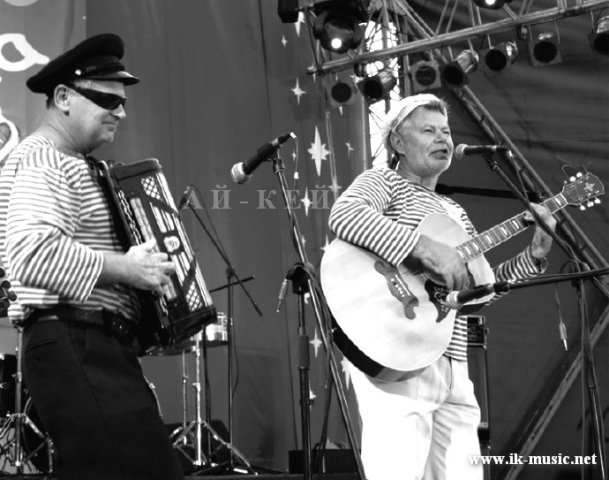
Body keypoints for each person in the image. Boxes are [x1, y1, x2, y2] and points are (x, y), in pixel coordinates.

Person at [327, 93, 556, 480]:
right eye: (428, 131)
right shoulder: (384, 181)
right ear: (398, 142)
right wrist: (424, 248)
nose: (442, 139)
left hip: (452, 360)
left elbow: (478, 291)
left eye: (446, 132)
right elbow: (345, 215)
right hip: (398, 350)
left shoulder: (455, 212)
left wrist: (533, 257)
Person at [0, 34, 184, 480]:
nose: (120, 112)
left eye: (123, 102)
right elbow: (30, 251)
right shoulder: (47, 159)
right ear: (63, 97)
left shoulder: (69, 161)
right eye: (107, 99)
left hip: (86, 345)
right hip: (76, 341)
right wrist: (128, 268)